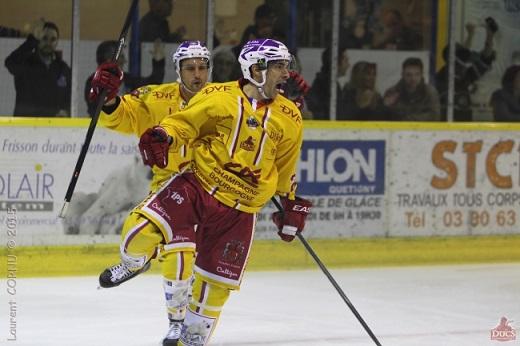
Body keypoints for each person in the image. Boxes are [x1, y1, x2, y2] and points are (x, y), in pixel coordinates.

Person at [101, 38, 312, 346]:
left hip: (240, 212)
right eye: (280, 67)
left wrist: (289, 202)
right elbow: (183, 123)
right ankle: (134, 262)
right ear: (255, 69)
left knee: (214, 292)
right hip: (197, 186)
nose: (287, 74)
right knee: (138, 235)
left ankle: (186, 338)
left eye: (286, 66)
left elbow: (285, 165)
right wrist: (164, 135)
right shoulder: (218, 95)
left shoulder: (290, 115)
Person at [90, 41, 212, 345]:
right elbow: (123, 116)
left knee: (180, 252)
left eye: (202, 67)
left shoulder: (223, 99)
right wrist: (107, 97)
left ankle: (177, 323)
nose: (197, 75)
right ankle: (135, 262)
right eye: (190, 68)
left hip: (208, 188)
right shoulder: (157, 97)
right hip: (168, 185)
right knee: (135, 234)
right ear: (178, 70)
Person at [4, 20, 71, 116]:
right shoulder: (25, 62)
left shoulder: (63, 69)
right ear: (38, 39)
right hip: (25, 126)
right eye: (44, 38)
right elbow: (10, 63)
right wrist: (32, 40)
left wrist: (66, 111)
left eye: (53, 39)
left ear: (57, 42)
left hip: (52, 126)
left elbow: (68, 97)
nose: (48, 42)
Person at [84, 39, 166, 117]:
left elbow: (153, 85)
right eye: (121, 57)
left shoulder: (127, 80)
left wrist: (158, 62)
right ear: (110, 61)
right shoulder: (94, 82)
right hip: (101, 129)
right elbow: (96, 111)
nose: (125, 61)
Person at [436, 19, 498, 121]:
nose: (465, 63)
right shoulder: (442, 77)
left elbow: (485, 60)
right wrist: (470, 35)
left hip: (465, 125)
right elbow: (462, 56)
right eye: (460, 60)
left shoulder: (466, 74)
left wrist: (490, 35)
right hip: (447, 126)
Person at [307, 46, 350, 119]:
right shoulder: (326, 84)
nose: (348, 65)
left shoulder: (326, 82)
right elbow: (324, 114)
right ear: (336, 62)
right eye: (345, 60)